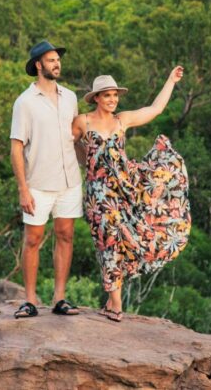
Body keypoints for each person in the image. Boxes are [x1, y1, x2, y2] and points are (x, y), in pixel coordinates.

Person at [73, 67, 191, 322]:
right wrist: (86, 163)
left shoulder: (121, 120)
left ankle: (111, 301)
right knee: (107, 240)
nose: (112, 100)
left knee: (125, 240)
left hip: (127, 187)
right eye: (107, 96)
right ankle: (116, 302)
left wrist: (171, 80)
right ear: (96, 98)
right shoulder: (83, 121)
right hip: (99, 193)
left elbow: (155, 109)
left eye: (115, 96)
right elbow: (67, 143)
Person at [9, 40, 82, 319]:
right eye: (51, 60)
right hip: (37, 183)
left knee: (66, 235)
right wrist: (23, 189)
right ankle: (29, 300)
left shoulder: (71, 97)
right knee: (33, 239)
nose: (57, 64)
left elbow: (75, 139)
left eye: (58, 60)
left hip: (69, 181)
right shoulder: (25, 103)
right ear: (39, 65)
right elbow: (16, 146)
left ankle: (60, 298)